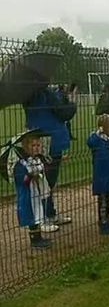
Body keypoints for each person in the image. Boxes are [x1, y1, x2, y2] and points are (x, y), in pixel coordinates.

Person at [23, 86, 73, 228]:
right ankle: (42, 218)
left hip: (46, 140)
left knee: (46, 181)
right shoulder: (41, 94)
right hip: (46, 141)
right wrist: (69, 100)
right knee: (44, 181)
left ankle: (49, 214)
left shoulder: (35, 95)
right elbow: (64, 112)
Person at [13, 134, 55, 249]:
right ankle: (34, 240)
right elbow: (22, 181)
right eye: (33, 145)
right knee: (32, 214)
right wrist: (30, 175)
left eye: (38, 145)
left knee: (38, 212)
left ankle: (39, 237)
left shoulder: (37, 159)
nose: (36, 148)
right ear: (26, 147)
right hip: (29, 193)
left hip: (37, 192)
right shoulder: (21, 164)